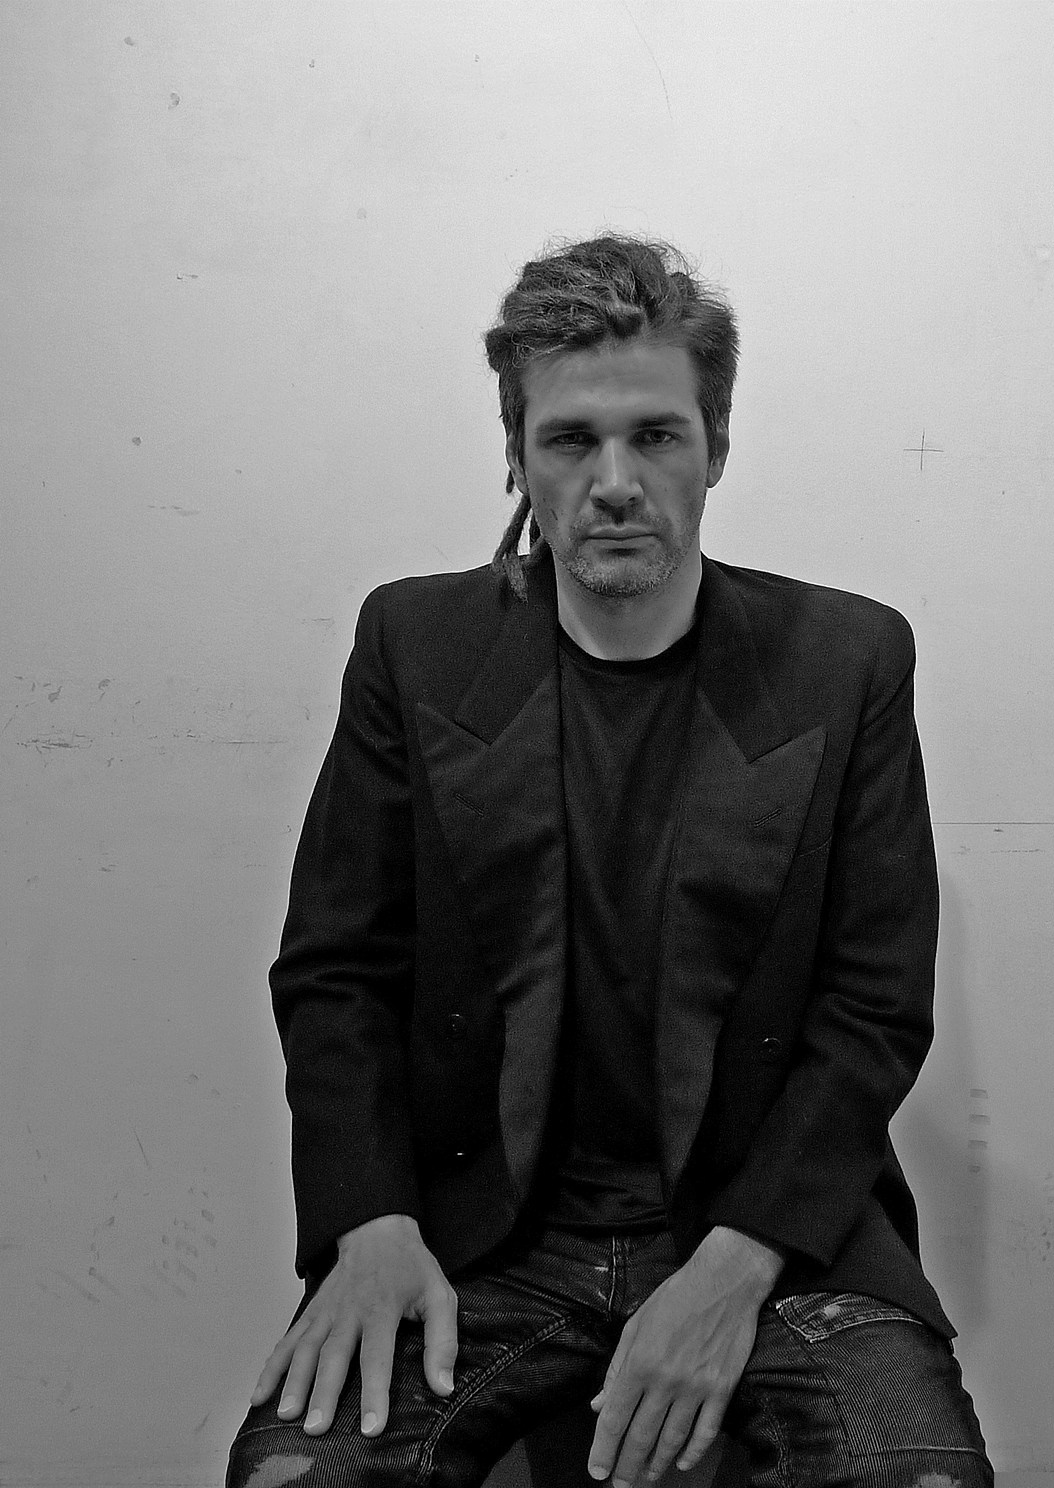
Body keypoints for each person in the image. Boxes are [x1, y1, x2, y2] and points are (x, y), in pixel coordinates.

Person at [226, 235, 989, 1488]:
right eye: (571, 440)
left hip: (767, 1233)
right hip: (477, 1235)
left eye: (657, 436)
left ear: (716, 447)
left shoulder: (845, 661)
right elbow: (337, 969)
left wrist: (733, 1269)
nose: (616, 482)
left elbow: (871, 1010)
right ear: (517, 454)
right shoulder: (415, 643)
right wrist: (368, 1221)